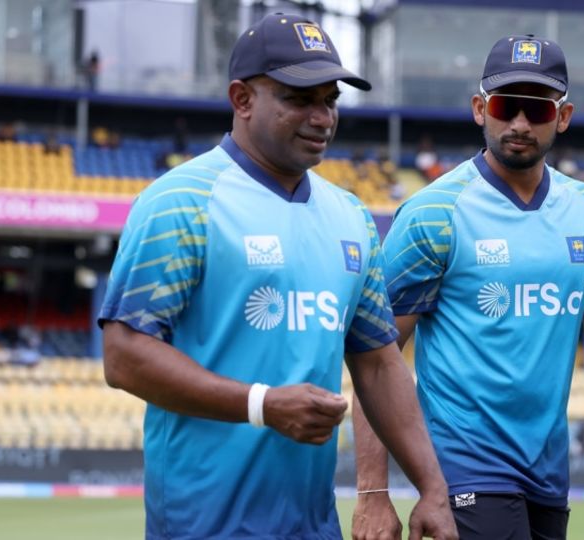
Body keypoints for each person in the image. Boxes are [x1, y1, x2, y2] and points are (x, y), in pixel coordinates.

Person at [98, 13, 456, 540]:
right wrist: (261, 405)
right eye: (299, 98)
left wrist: (431, 488)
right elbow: (124, 356)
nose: (322, 117)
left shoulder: (351, 217)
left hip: (313, 524)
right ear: (242, 99)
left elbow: (379, 364)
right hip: (202, 525)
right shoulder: (181, 202)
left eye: (330, 100)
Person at [352, 34, 584, 540]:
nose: (520, 123)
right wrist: (373, 492)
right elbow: (376, 357)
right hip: (462, 469)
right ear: (481, 108)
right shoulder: (433, 214)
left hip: (547, 474)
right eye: (506, 106)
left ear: (562, 117)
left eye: (537, 109)